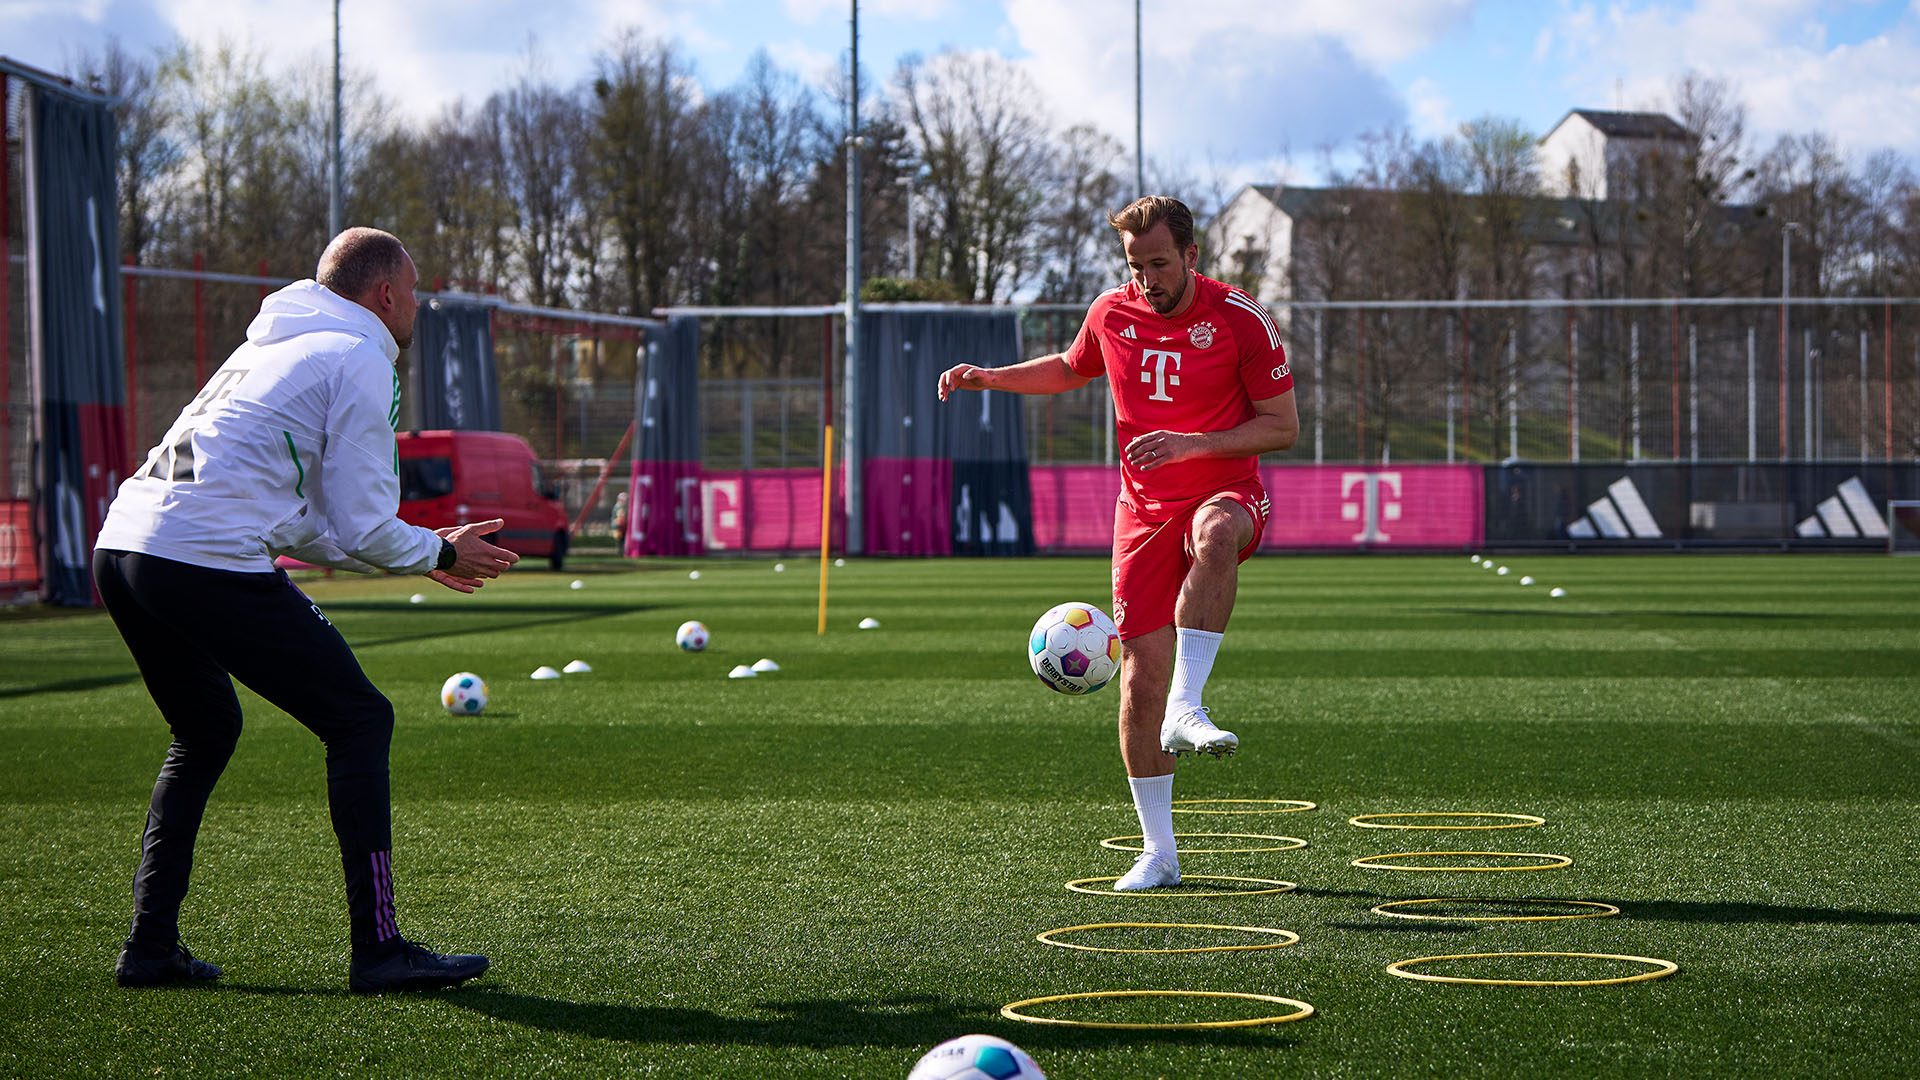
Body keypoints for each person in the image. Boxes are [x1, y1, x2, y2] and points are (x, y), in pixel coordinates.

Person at [93, 227, 520, 991]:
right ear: (385, 294)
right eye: (414, 292)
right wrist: (439, 552)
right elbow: (359, 526)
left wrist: (425, 547)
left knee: (206, 728)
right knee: (360, 717)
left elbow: (299, 518)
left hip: (124, 549)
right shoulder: (359, 356)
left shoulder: (271, 346)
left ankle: (149, 945)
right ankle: (380, 949)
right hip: (198, 556)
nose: (416, 307)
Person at [938, 196, 1297, 891]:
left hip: (1225, 490)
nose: (1148, 279)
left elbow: (1282, 426)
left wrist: (1197, 444)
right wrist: (991, 377)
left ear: (1192, 256)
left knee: (1216, 534)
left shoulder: (1240, 318)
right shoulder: (1113, 310)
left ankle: (1189, 707)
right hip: (1141, 511)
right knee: (1137, 685)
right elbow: (1071, 368)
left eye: (1160, 263)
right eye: (1137, 266)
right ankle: (1159, 854)